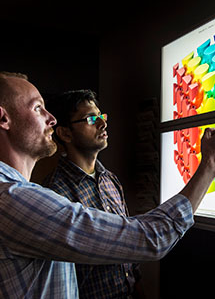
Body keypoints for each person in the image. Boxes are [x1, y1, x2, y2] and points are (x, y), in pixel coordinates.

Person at [0, 71, 215, 298]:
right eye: (37, 108)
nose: (51, 118)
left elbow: (128, 258)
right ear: (1, 118)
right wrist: (210, 164)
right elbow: (149, 238)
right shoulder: (13, 201)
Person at [42, 89, 141, 298]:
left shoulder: (110, 180)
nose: (102, 123)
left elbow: (127, 245)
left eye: (101, 116)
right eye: (90, 119)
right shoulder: (54, 192)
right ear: (65, 133)